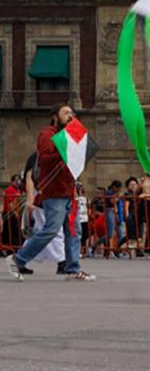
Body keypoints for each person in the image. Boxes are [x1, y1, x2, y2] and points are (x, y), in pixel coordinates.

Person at [6, 104, 95, 281]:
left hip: (68, 191)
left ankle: (72, 268)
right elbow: (45, 159)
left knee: (73, 231)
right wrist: (64, 153)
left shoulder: (70, 134)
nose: (71, 116)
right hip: (54, 192)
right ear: (55, 116)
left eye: (72, 113)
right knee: (51, 229)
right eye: (66, 113)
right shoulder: (47, 134)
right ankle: (19, 258)